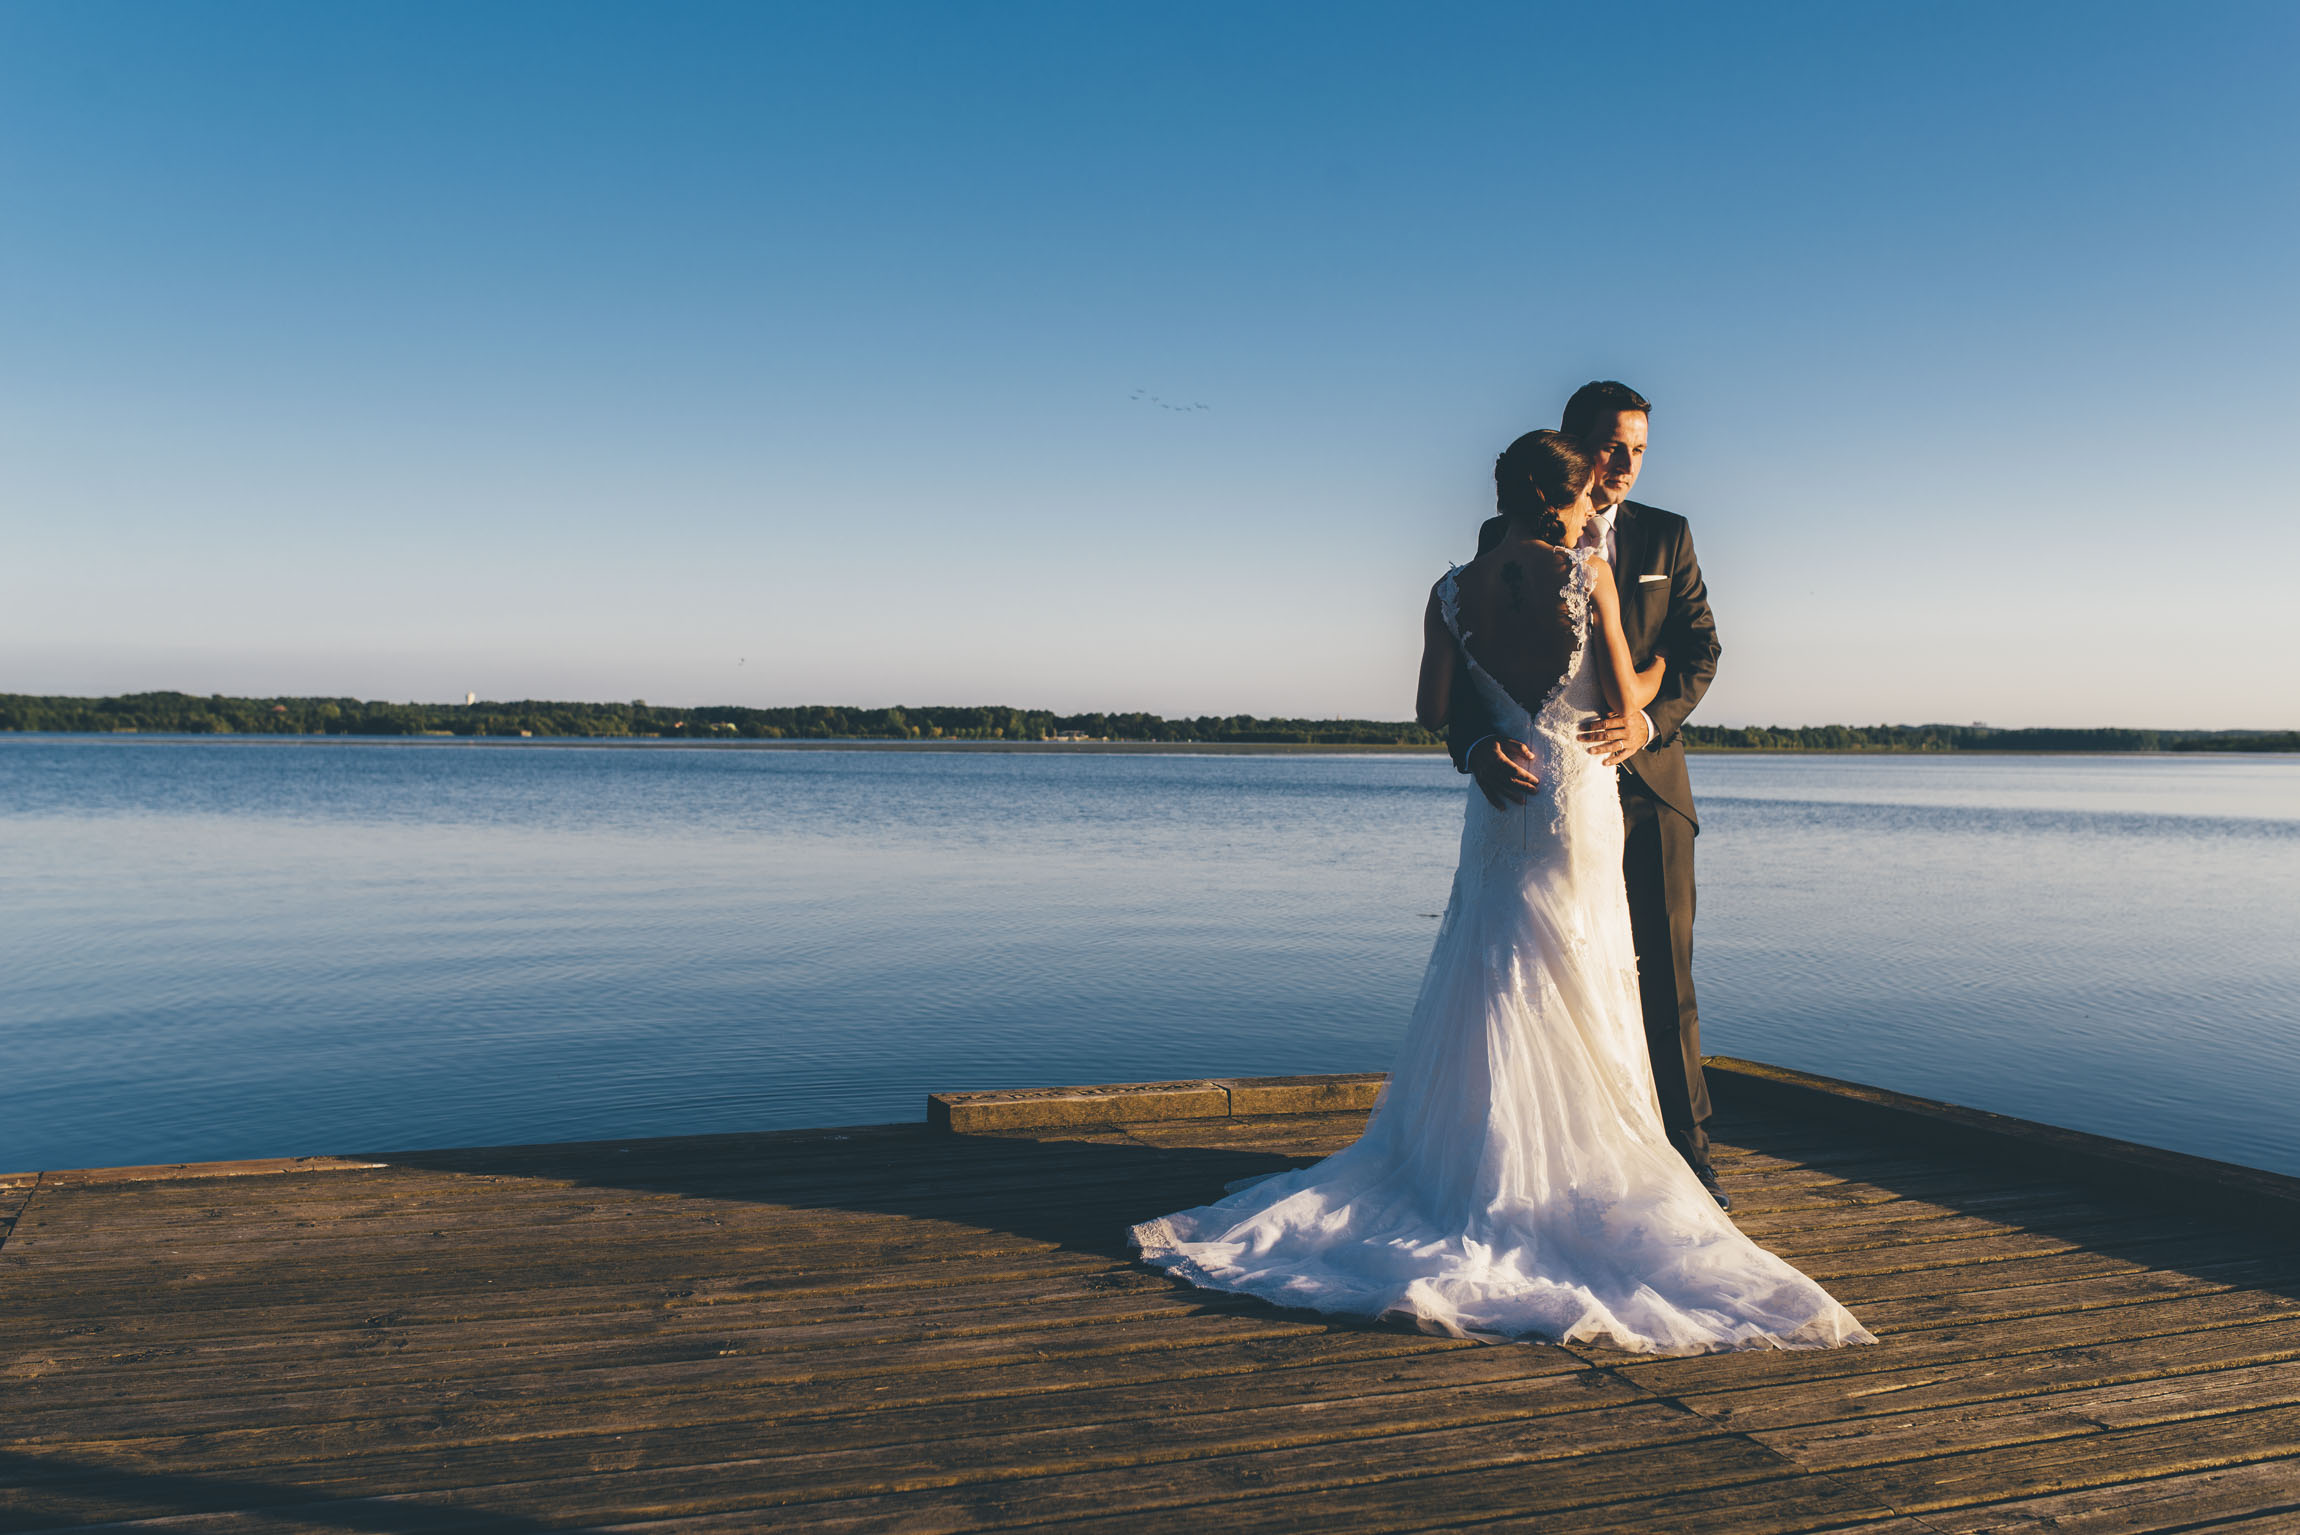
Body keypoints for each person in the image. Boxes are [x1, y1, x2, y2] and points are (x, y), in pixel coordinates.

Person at [1129, 430, 1871, 1354]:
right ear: (1568, 498)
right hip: (1575, 795)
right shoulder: (1588, 573)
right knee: (1585, 977)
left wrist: (1490, 735)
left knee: (1490, 977)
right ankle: (1571, 1177)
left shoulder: (1450, 590)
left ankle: (1477, 1172)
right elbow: (1620, 690)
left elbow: (1433, 708)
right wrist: (1637, 702)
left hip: (1499, 803)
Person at [1458, 382, 1725, 1208]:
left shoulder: (1666, 537)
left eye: (1640, 450)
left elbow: (1699, 651)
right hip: (1541, 797)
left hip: (1646, 791)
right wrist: (1473, 746)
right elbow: (1470, 670)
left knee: (1661, 980)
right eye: (1612, 447)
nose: (1625, 465)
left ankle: (1686, 1157)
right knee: (1534, 976)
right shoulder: (1498, 541)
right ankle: (1532, 1160)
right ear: (1571, 446)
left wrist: (1646, 725)